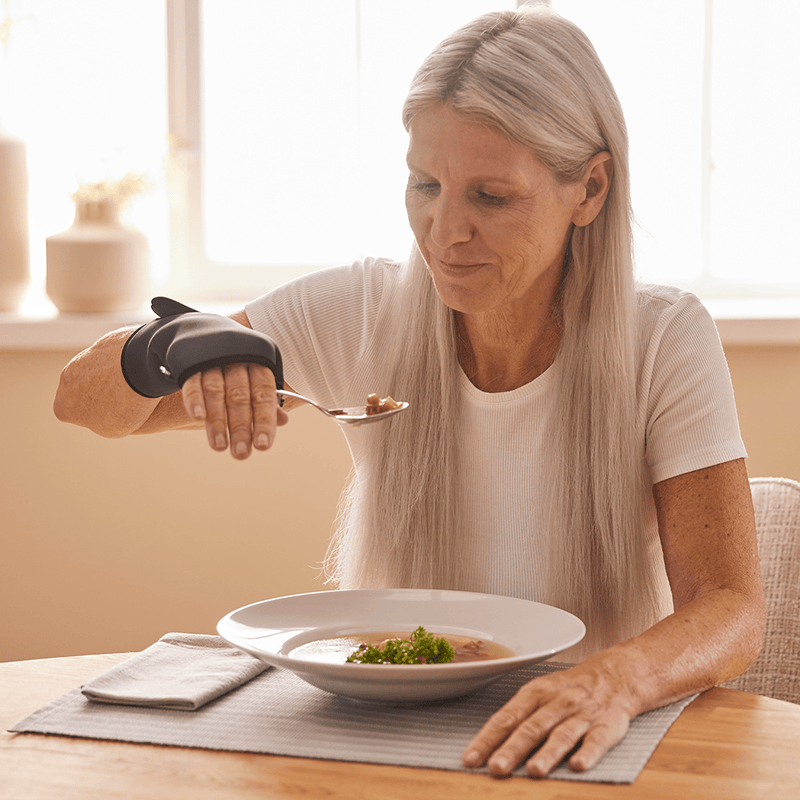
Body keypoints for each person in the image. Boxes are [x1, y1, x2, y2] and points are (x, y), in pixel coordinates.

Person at [53, 6, 764, 779]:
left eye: (490, 197)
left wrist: (614, 680)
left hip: (578, 746)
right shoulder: (361, 310)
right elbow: (77, 401)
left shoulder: (664, 336)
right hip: (378, 743)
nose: (442, 229)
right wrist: (168, 344)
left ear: (589, 189)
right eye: (425, 183)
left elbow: (731, 608)